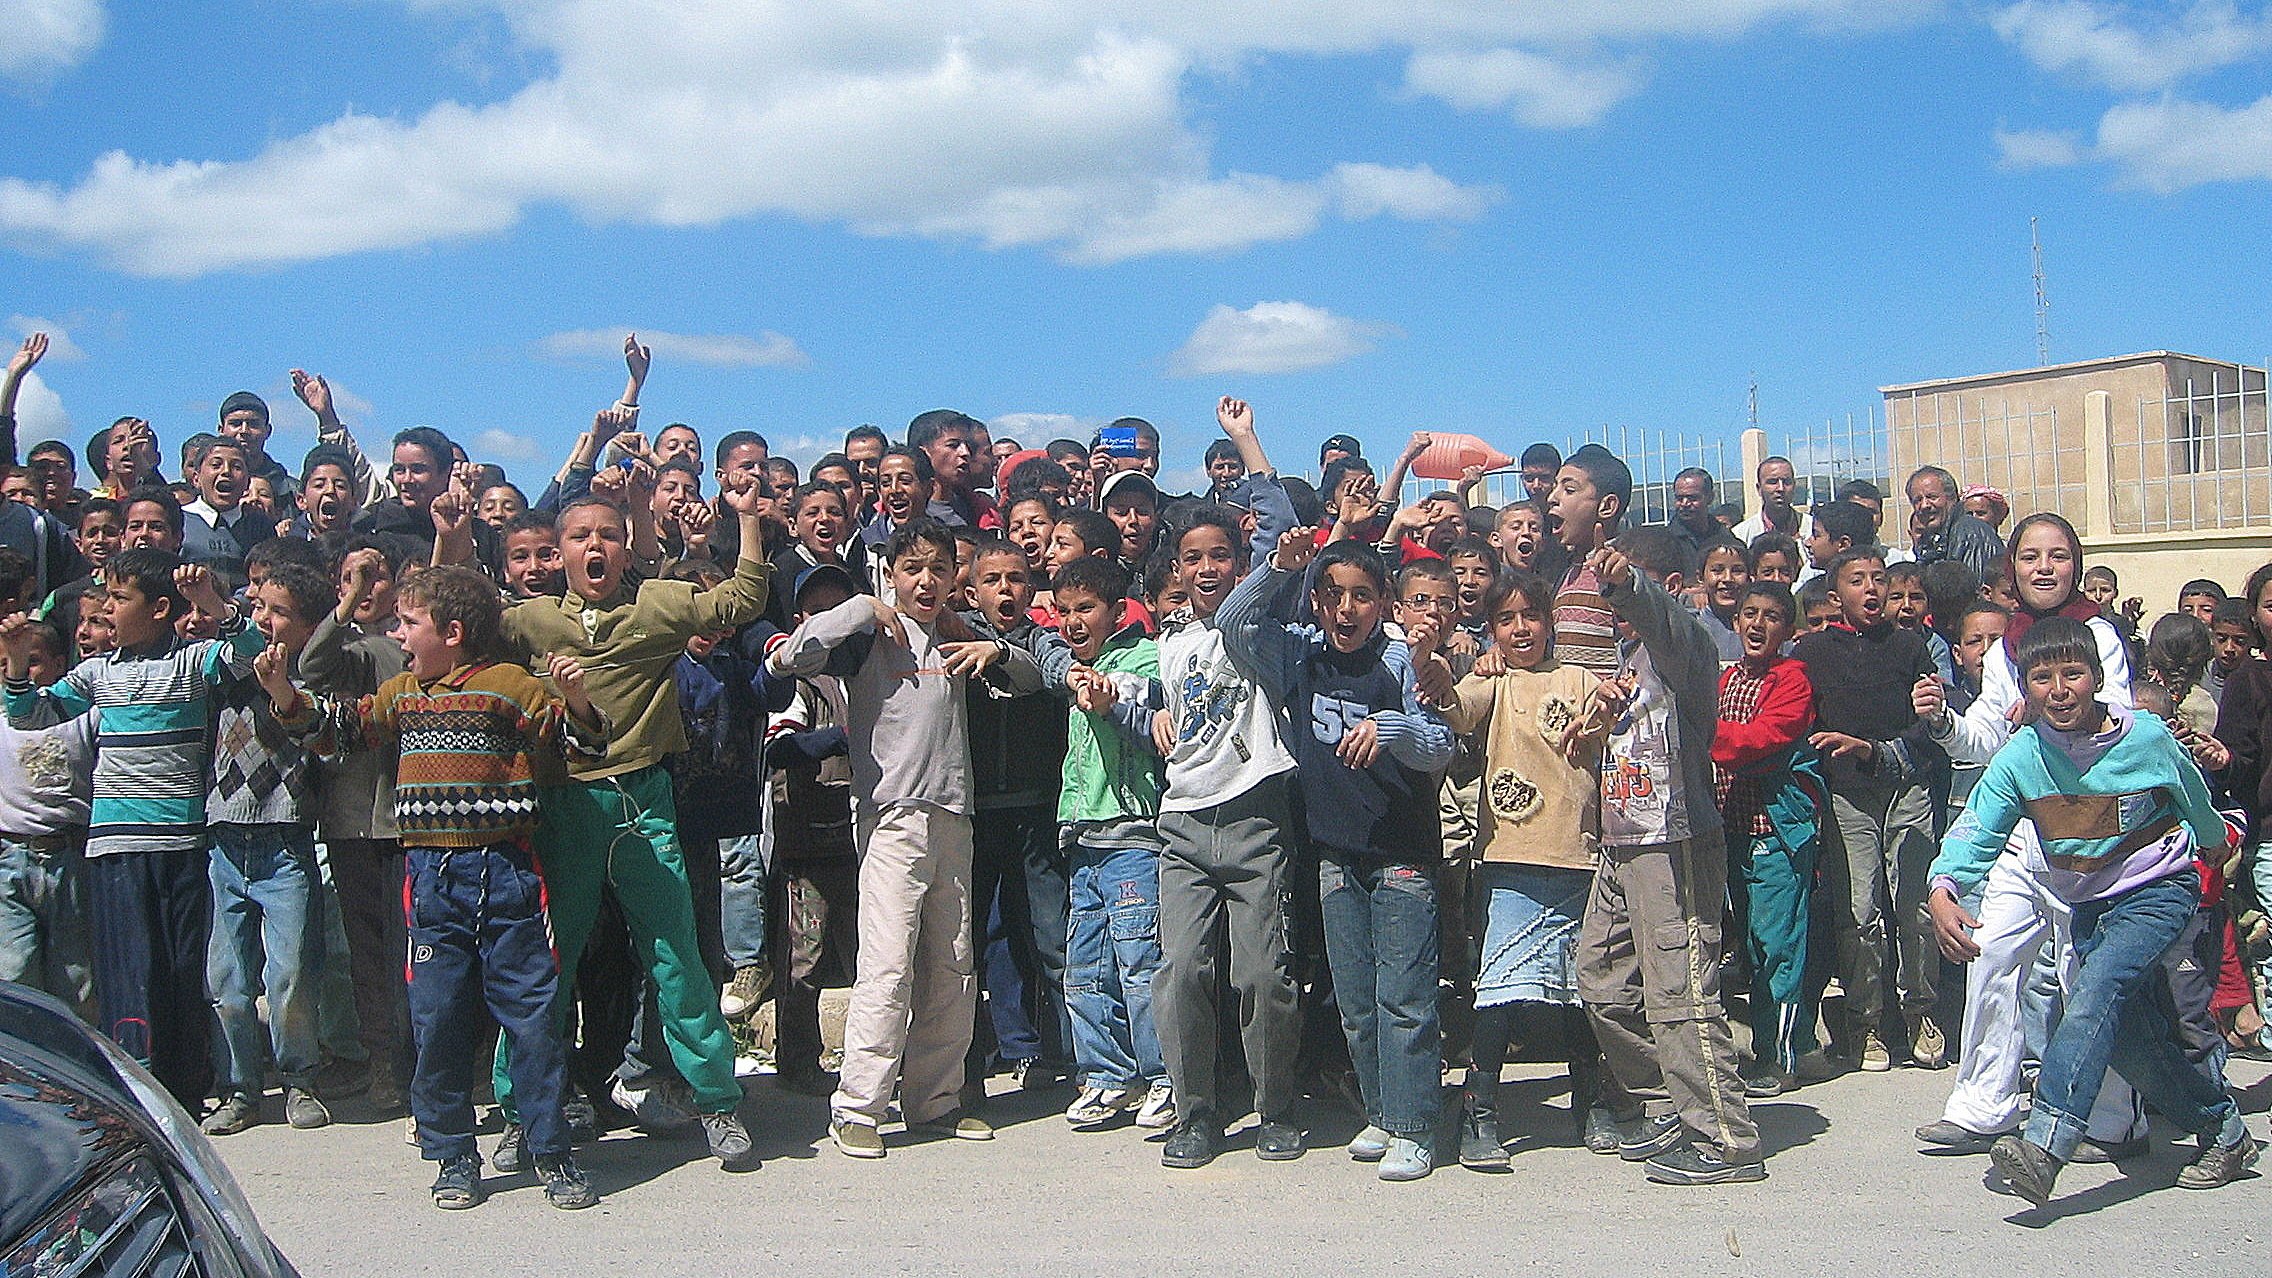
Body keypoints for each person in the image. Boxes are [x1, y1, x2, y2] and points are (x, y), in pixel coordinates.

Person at [271, 565, 608, 1210]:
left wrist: (580, 702)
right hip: (430, 876)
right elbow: (337, 727)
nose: (397, 634)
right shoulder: (400, 694)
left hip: (508, 871)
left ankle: (550, 1148)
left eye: (407, 623)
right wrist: (286, 697)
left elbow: (581, 747)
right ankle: (451, 1152)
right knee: (437, 1016)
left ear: (452, 632)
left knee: (532, 1015)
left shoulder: (512, 688)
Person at [489, 483, 773, 1172]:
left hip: (644, 803)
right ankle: (523, 1108)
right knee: (545, 968)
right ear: (558, 553)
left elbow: (739, 600)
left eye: (609, 535)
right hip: (566, 808)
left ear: (626, 546)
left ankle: (717, 1101)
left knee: (676, 958)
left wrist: (748, 517)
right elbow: (453, 621)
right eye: (581, 536)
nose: (595, 546)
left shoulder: (658, 605)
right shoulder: (530, 622)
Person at [1929, 616, 2257, 1202]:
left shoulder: (2146, 738)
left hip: (2158, 889)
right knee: (2132, 1044)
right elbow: (1976, 829)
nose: (2058, 690)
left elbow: (2194, 798)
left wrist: (2214, 841)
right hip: (2089, 905)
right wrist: (1944, 887)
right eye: (2041, 677)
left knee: (2093, 991)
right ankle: (2223, 1130)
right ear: (2024, 687)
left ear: (2098, 678)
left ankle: (2044, 1144)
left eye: (2072, 674)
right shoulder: (2022, 757)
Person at [768, 519, 1042, 1158]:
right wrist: (859, 607)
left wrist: (994, 651)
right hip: (891, 820)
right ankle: (858, 1107)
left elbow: (1030, 681)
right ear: (890, 570)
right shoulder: (866, 639)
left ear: (956, 577)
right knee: (887, 964)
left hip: (956, 817)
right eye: (911, 568)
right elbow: (789, 657)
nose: (926, 581)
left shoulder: (958, 637)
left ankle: (934, 1103)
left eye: (939, 569)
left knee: (951, 966)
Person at [1221, 530, 1455, 1181]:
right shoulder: (1299, 656)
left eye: (1360, 596)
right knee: (1355, 1002)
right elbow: (1233, 623)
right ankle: (1382, 1114)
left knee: (1404, 998)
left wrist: (1393, 728)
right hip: (1335, 857)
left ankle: (1415, 1127)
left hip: (1402, 856)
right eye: (1330, 595)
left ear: (1384, 601)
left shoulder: (1402, 662)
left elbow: (1442, 745)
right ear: (1315, 601)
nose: (1344, 609)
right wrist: (1277, 569)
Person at [1913, 512, 2147, 1158]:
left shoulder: (2097, 633)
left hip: (2086, 831)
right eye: (2030, 557)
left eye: (2058, 556)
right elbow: (1985, 736)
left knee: (2084, 971)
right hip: (2023, 832)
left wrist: (2059, 708)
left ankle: (2115, 1118)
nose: (2044, 567)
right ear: (2011, 571)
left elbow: (2123, 719)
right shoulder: (2008, 646)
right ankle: (1983, 1104)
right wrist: (1943, 723)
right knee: (1993, 954)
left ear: (2076, 563)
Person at [3, 551, 258, 1108]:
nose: (108, 610)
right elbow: (33, 717)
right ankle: (138, 1089)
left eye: (120, 599)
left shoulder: (193, 662)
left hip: (183, 846)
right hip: (116, 847)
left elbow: (255, 658)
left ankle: (188, 1089)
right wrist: (18, 666)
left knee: (181, 969)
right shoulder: (96, 674)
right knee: (126, 973)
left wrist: (216, 606)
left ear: (160, 608)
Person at [1576, 522, 1764, 1184]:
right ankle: (1668, 1105)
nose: (1609, 601)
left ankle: (1724, 1137)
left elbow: (1664, 619)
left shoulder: (1683, 646)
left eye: (1615, 588)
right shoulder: (1629, 662)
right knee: (1600, 978)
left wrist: (1630, 584)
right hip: (1623, 842)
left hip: (1674, 841)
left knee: (1680, 988)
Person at [1439, 569, 1611, 1170]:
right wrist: (1433, 662)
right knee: (1500, 988)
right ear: (1492, 629)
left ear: (1550, 622)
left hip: (1580, 855)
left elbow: (1612, 726)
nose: (1520, 629)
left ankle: (1591, 1100)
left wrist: (1612, 707)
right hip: (1511, 856)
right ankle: (1479, 1109)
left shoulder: (1585, 680)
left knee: (1580, 987)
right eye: (1506, 619)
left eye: (1530, 616)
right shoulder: (1497, 683)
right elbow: (1456, 710)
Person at [199, 562, 339, 1136]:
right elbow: (237, 643)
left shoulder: (312, 679)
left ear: (308, 628)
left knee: (291, 975)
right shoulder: (230, 665)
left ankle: (301, 1079)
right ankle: (241, 1087)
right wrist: (225, 617)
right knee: (229, 981)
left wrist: (280, 683)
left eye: (280, 613)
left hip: (284, 842)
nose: (266, 621)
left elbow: (321, 735)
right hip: (226, 843)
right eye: (260, 608)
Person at [1795, 548, 1946, 1071]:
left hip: (1907, 787)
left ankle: (1921, 1013)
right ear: (1837, 597)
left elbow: (1929, 722)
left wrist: (1875, 751)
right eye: (1858, 581)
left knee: (1915, 908)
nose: (1873, 589)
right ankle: (1865, 1023)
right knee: (1860, 912)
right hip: (1847, 796)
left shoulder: (1911, 647)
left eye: (1879, 579)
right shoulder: (1812, 653)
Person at [1052, 556, 1174, 1132]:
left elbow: (1140, 691)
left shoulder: (1141, 658)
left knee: (1140, 962)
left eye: (1086, 609)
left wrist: (1102, 687)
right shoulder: (1070, 666)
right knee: (1085, 967)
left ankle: (1162, 1076)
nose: (1074, 621)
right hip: (1082, 837)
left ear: (1115, 610)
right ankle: (1104, 1076)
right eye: (1065, 611)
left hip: (1131, 835)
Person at [299, 543, 413, 1115]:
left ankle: (420, 1057)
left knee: (411, 948)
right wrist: (344, 604)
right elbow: (311, 667)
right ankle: (384, 1062)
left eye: (376, 577)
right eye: (351, 578)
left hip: (401, 820)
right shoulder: (346, 649)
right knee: (366, 951)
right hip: (349, 820)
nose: (366, 588)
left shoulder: (402, 646)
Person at [1711, 582, 1824, 1091]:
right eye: (1749, 614)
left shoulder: (1792, 679)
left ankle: (1777, 1058)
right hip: (1729, 828)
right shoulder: (1725, 677)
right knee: (1752, 947)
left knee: (1778, 943)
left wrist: (1700, 734)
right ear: (1735, 623)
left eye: (1771, 617)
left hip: (1776, 830)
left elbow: (1764, 739)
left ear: (1788, 630)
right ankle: (1785, 1042)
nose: (1757, 624)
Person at [764, 565, 864, 1096]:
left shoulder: (868, 669)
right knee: (804, 956)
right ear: (799, 619)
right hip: (809, 838)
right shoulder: (795, 679)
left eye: (838, 611)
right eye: (816, 612)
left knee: (868, 951)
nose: (827, 622)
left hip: (865, 837)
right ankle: (797, 1056)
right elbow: (779, 747)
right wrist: (835, 740)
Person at [0, 614, 96, 1022]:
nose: (17, 671)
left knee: (75, 979)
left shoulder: (84, 717)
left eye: (31, 660)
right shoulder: (4, 717)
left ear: (60, 664)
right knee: (14, 970)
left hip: (68, 857)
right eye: (6, 663)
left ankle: (77, 1071)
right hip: (10, 857)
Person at [181, 436, 274, 570]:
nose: (226, 471)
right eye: (216, 465)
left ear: (247, 482)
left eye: (236, 466)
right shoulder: (179, 520)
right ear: (196, 478)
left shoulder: (260, 527)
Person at [1905, 466, 2002, 581]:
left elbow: (1971, 592)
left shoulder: (1970, 532)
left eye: (1932, 497)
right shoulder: (1936, 539)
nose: (1924, 505)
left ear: (1951, 497)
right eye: (1917, 500)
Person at [1732, 457, 1812, 544]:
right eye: (1773, 482)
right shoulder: (1740, 536)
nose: (1781, 488)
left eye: (1787, 482)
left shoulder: (1812, 529)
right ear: (1759, 489)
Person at [1664, 467, 1720, 570]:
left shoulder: (1725, 539)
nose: (1685, 504)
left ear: (1710, 497)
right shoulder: (1664, 543)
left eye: (1692, 498)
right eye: (1679, 498)